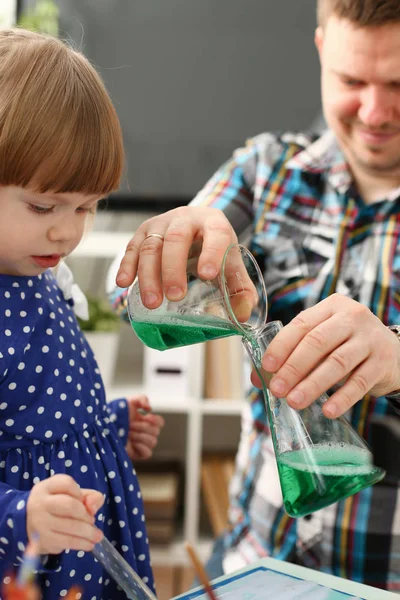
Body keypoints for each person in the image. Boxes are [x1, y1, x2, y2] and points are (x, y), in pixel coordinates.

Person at [111, 0, 400, 592]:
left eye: (399, 83)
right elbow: (132, 302)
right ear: (321, 50)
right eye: (351, 81)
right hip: (252, 562)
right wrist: (179, 252)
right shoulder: (266, 169)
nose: (374, 111)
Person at [0, 28, 164, 599]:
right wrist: (19, 515)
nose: (67, 230)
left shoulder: (41, 274)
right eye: (44, 205)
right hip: (30, 563)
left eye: (88, 207)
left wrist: (109, 425)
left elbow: (37, 412)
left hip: (85, 543)